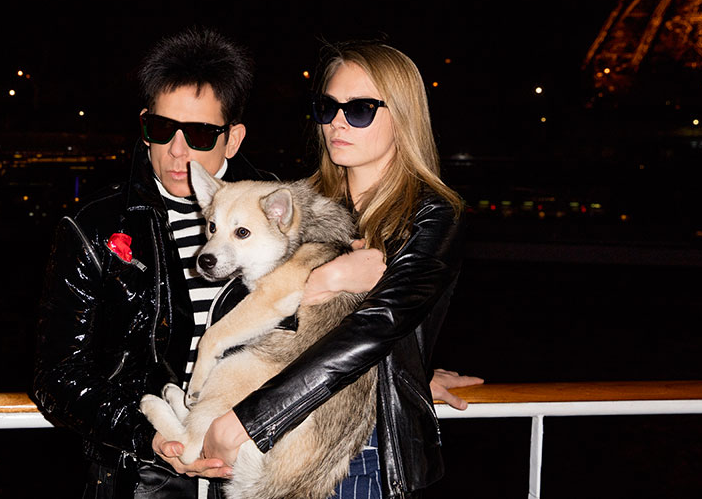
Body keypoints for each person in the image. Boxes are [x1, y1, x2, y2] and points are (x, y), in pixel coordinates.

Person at [33, 28, 478, 499]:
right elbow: (58, 374)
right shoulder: (95, 227)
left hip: (303, 451)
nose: (178, 150)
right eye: (161, 129)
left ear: (233, 137)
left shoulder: (275, 206)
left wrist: (399, 369)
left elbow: (370, 324)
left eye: (201, 133)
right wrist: (149, 437)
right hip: (152, 476)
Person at [183, 40, 477, 498]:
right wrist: (325, 281)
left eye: (359, 109)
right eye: (328, 106)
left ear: (402, 116)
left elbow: (375, 328)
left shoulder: (432, 214)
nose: (337, 122)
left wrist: (251, 421)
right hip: (265, 433)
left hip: (350, 453)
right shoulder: (303, 204)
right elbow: (269, 313)